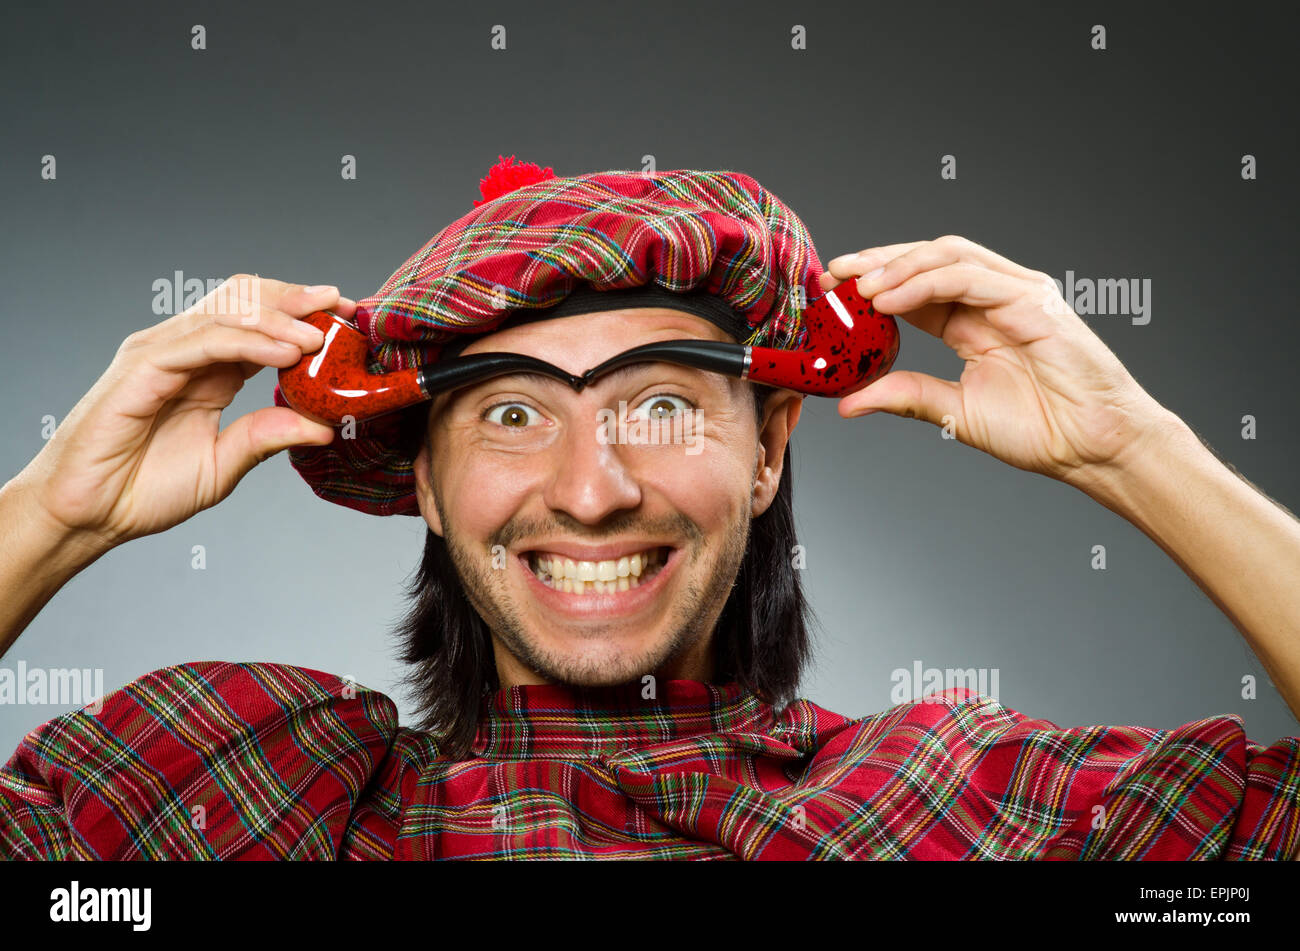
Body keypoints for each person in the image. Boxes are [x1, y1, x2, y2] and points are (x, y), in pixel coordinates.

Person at [1, 158, 1296, 860]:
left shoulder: (971, 809)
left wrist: (1139, 452)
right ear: (431, 492)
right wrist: (52, 514)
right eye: (511, 413)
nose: (592, 487)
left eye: (663, 405)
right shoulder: (248, 797)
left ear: (769, 448)